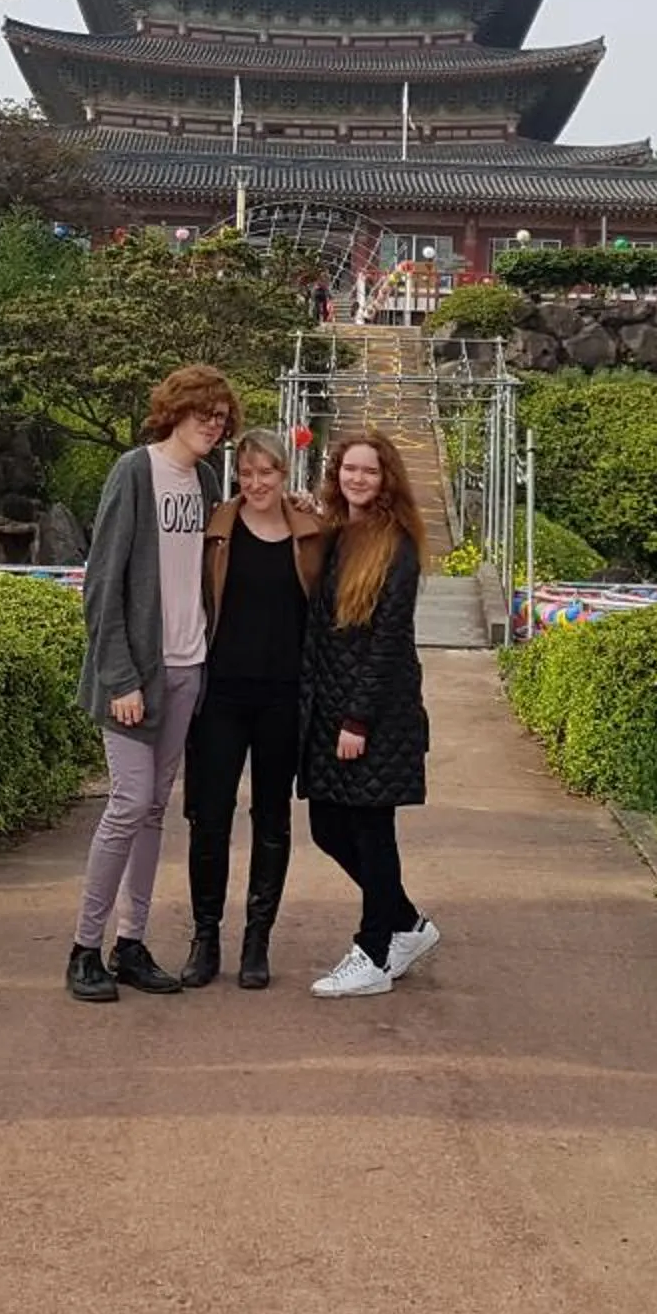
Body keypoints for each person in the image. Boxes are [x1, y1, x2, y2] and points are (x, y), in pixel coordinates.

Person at [68, 364, 235, 1004]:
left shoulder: (208, 481)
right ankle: (85, 946)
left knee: (156, 810)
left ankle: (130, 943)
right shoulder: (135, 472)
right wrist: (119, 677)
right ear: (175, 410)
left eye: (221, 418)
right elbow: (102, 584)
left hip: (188, 670)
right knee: (129, 803)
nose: (213, 426)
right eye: (204, 413)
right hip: (135, 676)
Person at [180, 428, 327, 989]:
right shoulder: (215, 529)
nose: (256, 483)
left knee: (271, 818)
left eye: (267, 472)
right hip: (222, 693)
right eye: (247, 473)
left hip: (283, 696)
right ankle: (205, 936)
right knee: (208, 816)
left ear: (284, 474)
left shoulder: (310, 533)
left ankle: (257, 938)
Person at [298, 427, 437, 999]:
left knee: (370, 828)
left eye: (369, 471)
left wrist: (358, 720)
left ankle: (375, 950)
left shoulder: (397, 545)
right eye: (349, 469)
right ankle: (406, 921)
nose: (358, 478)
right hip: (328, 706)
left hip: (373, 714)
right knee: (328, 826)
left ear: (387, 480)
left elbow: (388, 644)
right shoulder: (336, 533)